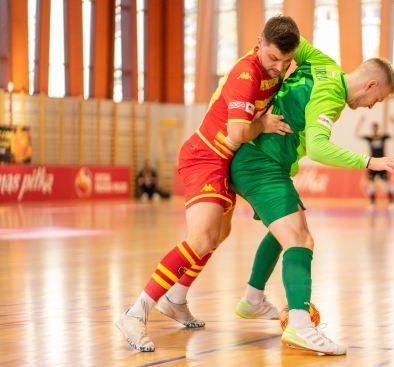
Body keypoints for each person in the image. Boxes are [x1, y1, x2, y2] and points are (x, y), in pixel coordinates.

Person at [116, 15, 303, 352]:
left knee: (219, 234)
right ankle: (135, 312)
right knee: (201, 238)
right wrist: (262, 124)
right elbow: (237, 132)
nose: (278, 68)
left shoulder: (281, 64)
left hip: (225, 162)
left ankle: (176, 298)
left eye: (285, 61)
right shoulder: (245, 76)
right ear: (259, 44)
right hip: (205, 156)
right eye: (273, 58)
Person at [229, 38, 394, 355]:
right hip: (260, 165)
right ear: (369, 84)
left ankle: (253, 299)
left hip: (261, 161)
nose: (371, 106)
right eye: (376, 99)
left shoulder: (323, 63)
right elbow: (320, 148)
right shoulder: (331, 96)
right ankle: (300, 325)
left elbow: (288, 38)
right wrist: (370, 161)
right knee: (300, 240)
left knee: (286, 229)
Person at [355, 115, 394, 210]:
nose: (374, 129)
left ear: (377, 128)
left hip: (382, 164)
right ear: (372, 129)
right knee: (371, 185)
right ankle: (372, 204)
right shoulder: (370, 138)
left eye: (376, 128)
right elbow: (356, 134)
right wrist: (360, 122)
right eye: (373, 128)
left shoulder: (382, 137)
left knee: (386, 184)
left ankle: (391, 203)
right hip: (372, 164)